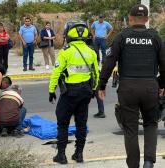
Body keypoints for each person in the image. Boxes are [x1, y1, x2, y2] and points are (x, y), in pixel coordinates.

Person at [98, 4, 165, 168]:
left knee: (130, 129)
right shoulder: (155, 37)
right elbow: (164, 65)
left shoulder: (122, 37)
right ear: (147, 19)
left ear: (130, 19)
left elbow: (109, 63)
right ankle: (149, 162)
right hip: (150, 87)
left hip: (127, 87)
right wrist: (162, 85)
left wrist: (102, 85)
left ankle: (133, 165)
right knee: (151, 124)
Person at [49, 22, 99, 164]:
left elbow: (56, 73)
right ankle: (79, 154)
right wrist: (94, 89)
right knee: (81, 124)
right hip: (85, 92)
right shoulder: (91, 52)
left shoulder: (66, 51)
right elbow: (96, 73)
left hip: (69, 92)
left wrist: (51, 90)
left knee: (63, 124)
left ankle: (61, 155)